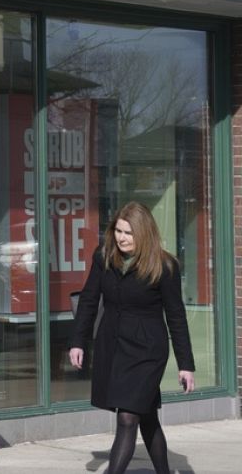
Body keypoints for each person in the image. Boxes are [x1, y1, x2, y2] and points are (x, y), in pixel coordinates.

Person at [68, 201, 195, 474]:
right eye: (118, 231)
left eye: (129, 233)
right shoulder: (103, 257)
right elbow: (89, 300)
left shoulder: (165, 266)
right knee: (145, 417)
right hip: (113, 345)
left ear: (143, 233)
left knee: (127, 417)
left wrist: (186, 364)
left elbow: (176, 317)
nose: (122, 238)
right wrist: (78, 341)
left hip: (147, 351)